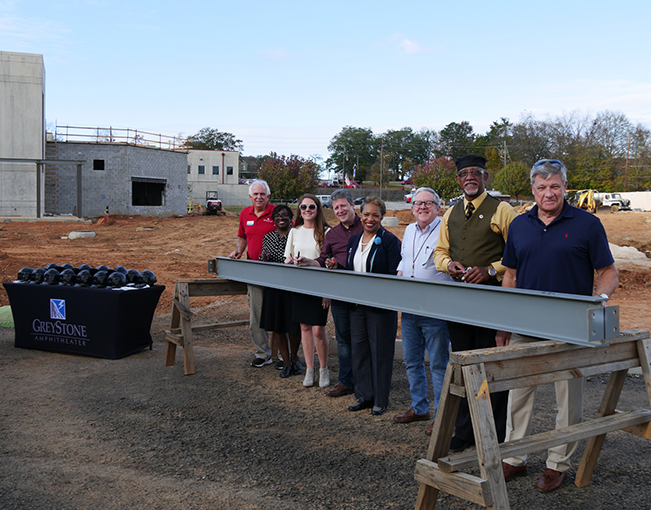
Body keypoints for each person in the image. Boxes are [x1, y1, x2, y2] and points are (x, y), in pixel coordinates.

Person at [499, 159, 618, 491]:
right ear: (533, 191)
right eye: (541, 187)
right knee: (518, 393)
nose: (548, 193)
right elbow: (510, 275)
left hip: (571, 326)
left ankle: (558, 463)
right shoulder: (520, 226)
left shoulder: (588, 224)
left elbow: (608, 272)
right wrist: (504, 322)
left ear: (565, 187)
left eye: (554, 186)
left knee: (568, 397)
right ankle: (514, 457)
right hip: (525, 323)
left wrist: (601, 299)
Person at [434, 154, 517, 450]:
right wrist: (448, 265)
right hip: (460, 304)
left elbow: (518, 254)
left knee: (492, 369)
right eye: (464, 173)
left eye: (476, 173)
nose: (470, 177)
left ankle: (494, 435)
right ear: (458, 180)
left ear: (484, 178)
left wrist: (491, 269)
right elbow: (440, 252)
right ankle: (465, 432)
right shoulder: (451, 213)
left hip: (492, 303)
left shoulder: (503, 210)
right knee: (464, 367)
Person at [394, 187, 452, 430]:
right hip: (409, 308)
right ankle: (419, 407)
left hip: (435, 309)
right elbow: (406, 259)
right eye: (418, 203)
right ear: (412, 208)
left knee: (438, 364)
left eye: (428, 203)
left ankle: (441, 416)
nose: (422, 207)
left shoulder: (446, 231)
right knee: (411, 361)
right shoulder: (408, 230)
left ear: (438, 208)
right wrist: (400, 272)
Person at [296, 189, 363, 397]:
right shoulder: (332, 234)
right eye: (336, 208)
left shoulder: (368, 227)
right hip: (341, 293)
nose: (340, 210)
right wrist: (309, 262)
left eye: (343, 206)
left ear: (352, 205)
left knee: (362, 339)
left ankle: (365, 382)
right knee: (343, 339)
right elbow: (323, 259)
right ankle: (346, 381)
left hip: (364, 293)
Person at [343, 196, 401, 416]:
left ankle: (380, 399)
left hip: (380, 308)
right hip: (357, 306)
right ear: (360, 214)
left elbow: (395, 275)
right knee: (359, 351)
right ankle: (364, 395)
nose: (370, 218)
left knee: (380, 352)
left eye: (375, 215)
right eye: (366, 214)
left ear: (382, 217)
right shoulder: (353, 241)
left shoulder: (389, 241)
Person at [284, 194, 331, 388]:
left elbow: (329, 262)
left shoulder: (327, 232)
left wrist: (327, 291)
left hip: (320, 286)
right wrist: (290, 261)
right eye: (303, 207)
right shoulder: (294, 231)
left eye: (311, 206)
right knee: (304, 327)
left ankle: (324, 369)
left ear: (318, 209)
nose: (307, 210)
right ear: (299, 210)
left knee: (319, 329)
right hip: (300, 285)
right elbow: (287, 256)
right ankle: (310, 370)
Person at [229, 180, 276, 367]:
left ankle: (284, 355)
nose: (259, 197)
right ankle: (263, 353)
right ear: (250, 197)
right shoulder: (244, 214)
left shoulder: (276, 212)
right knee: (256, 315)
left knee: (279, 313)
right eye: (255, 194)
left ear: (268, 196)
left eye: (262, 194)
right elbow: (242, 236)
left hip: (276, 271)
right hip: (254, 271)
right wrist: (239, 251)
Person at [259, 205, 302, 378]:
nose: (281, 218)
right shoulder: (268, 237)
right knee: (277, 325)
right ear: (273, 219)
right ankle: (285, 361)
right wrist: (265, 259)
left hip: (293, 286)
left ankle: (294, 358)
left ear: (291, 217)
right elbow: (265, 260)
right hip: (274, 286)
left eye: (285, 215)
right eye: (277, 215)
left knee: (293, 326)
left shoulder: (298, 235)